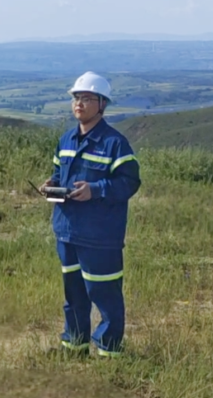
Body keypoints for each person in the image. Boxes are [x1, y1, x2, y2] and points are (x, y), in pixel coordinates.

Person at [41, 71, 140, 357]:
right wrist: (52, 183)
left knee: (105, 297)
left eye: (86, 98)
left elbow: (129, 182)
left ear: (102, 104)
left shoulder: (115, 144)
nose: (79, 104)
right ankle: (74, 346)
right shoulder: (66, 140)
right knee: (73, 296)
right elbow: (61, 172)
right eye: (76, 98)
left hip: (99, 236)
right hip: (67, 230)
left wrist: (95, 189)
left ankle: (109, 353)